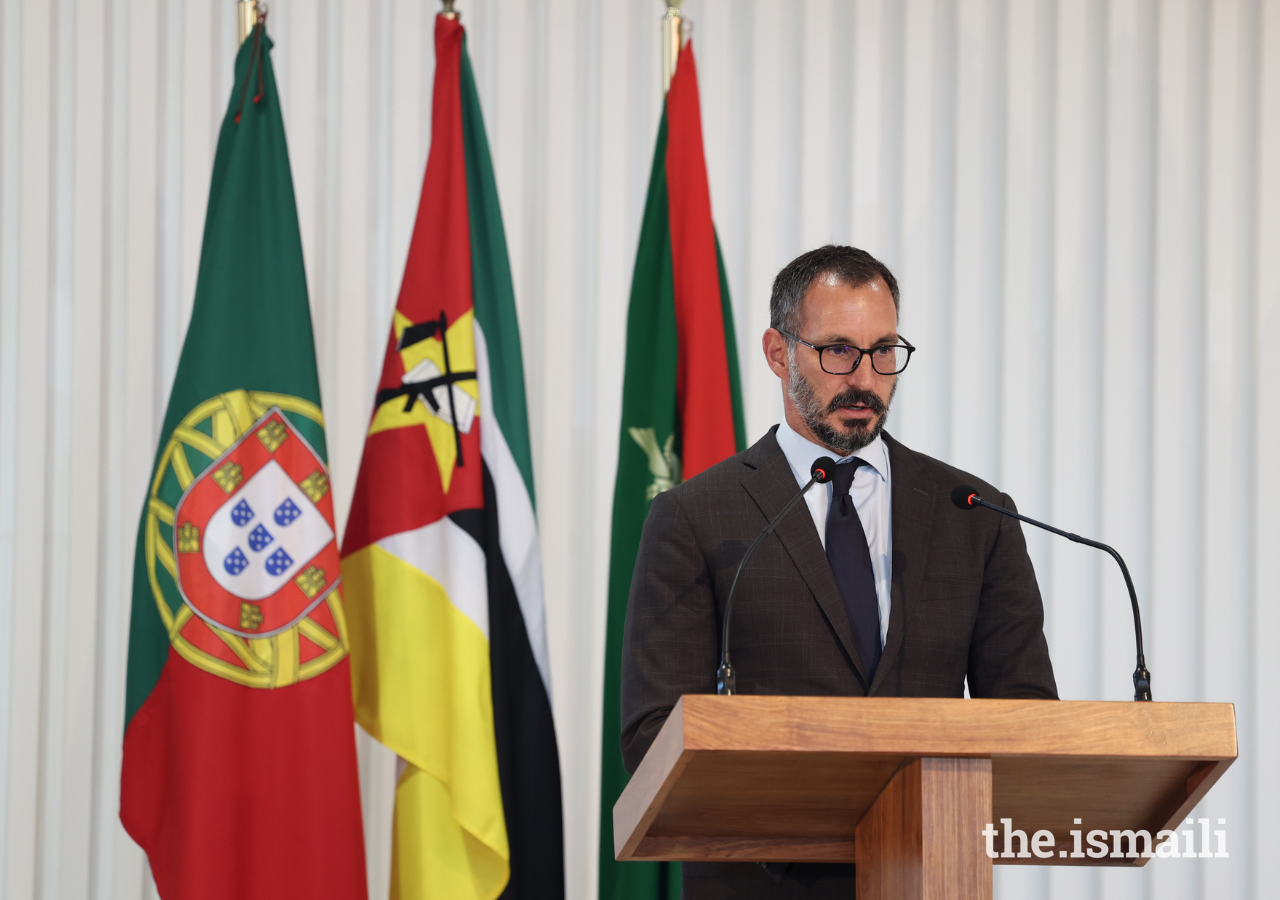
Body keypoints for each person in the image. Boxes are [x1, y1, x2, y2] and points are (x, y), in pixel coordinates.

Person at [619, 245, 1057, 898]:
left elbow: (1027, 720)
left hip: (932, 875)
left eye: (884, 351)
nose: (865, 378)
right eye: (838, 352)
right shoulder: (695, 518)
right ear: (778, 352)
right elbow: (653, 736)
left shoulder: (974, 513)